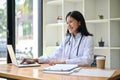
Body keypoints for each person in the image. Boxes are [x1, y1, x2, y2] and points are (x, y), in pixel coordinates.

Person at [21, 11, 94, 66]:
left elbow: (87, 60)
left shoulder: (88, 39)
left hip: (81, 74)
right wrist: (36, 60)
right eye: (67, 23)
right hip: (66, 72)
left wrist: (64, 62)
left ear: (79, 23)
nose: (68, 25)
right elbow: (55, 57)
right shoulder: (66, 39)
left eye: (71, 22)